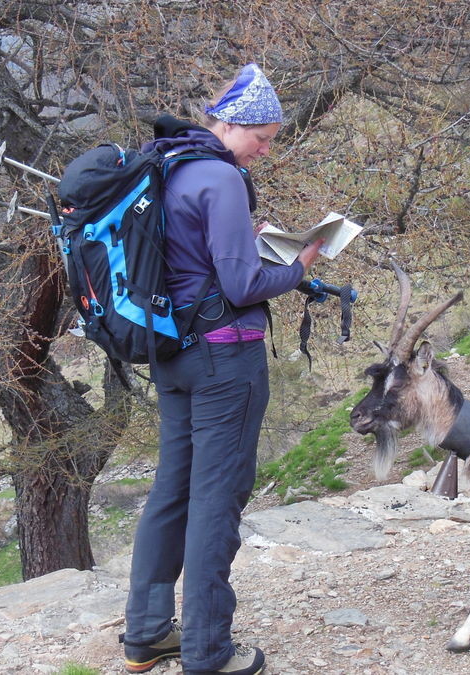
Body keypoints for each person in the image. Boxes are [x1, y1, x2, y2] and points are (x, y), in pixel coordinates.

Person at [120, 63, 322, 675]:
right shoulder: (223, 177)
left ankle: (147, 633)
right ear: (231, 123)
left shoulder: (171, 166)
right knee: (216, 499)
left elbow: (196, 259)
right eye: (261, 136)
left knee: (172, 492)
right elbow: (242, 283)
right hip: (224, 359)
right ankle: (208, 650)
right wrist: (302, 264)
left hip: (174, 354)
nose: (264, 149)